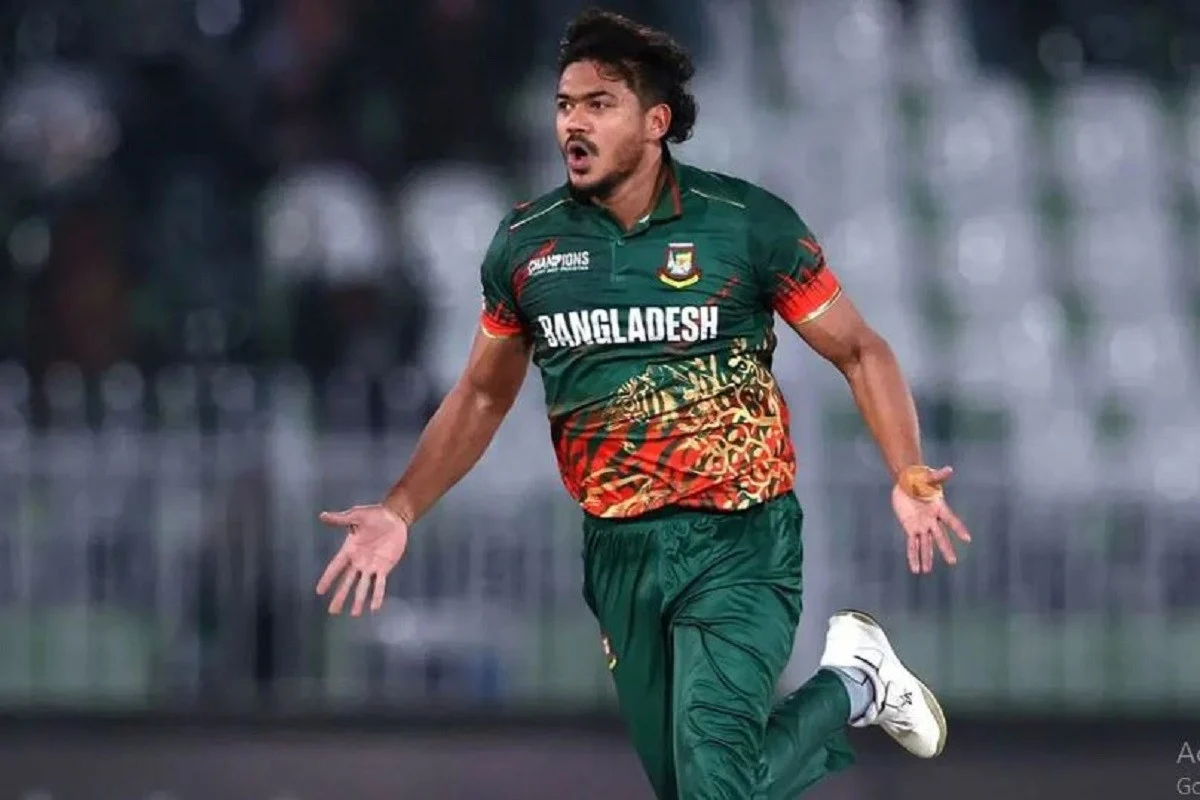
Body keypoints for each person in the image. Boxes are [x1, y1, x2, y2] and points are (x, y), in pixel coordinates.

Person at [314, 8, 972, 799]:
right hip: (619, 549)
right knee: (696, 786)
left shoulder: (745, 226)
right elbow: (484, 394)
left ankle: (851, 686)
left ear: (656, 122)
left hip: (739, 536)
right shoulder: (528, 246)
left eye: (600, 104)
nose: (574, 123)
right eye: (565, 105)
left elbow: (860, 350)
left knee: (713, 787)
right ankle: (854, 683)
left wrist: (906, 469)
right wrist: (401, 509)